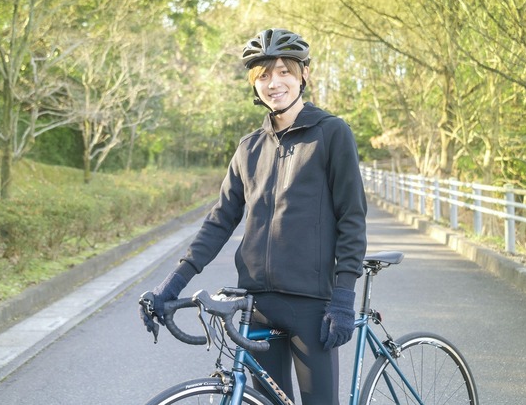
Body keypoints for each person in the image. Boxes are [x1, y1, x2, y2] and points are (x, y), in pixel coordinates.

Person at [140, 28, 367, 405]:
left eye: (283, 72)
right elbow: (219, 221)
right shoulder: (249, 147)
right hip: (256, 303)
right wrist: (171, 285)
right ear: (254, 83)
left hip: (312, 305)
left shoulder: (331, 134)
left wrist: (343, 298)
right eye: (263, 75)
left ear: (303, 76)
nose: (273, 82)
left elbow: (352, 220)